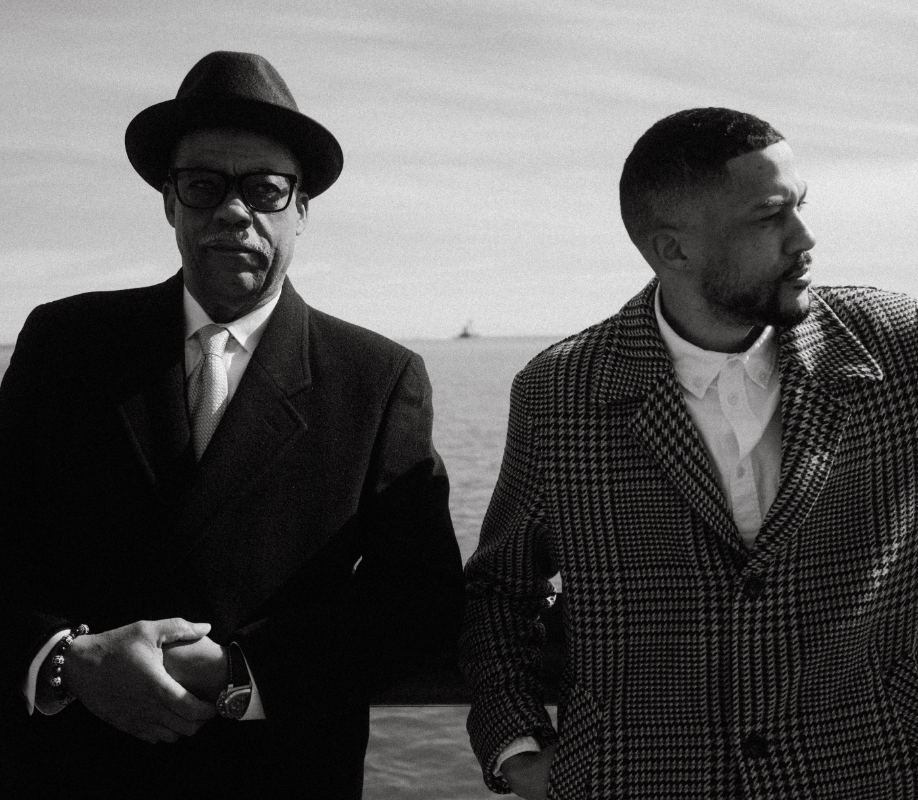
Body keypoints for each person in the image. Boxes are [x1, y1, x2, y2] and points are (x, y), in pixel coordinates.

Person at [0, 50, 464, 799]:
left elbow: (417, 599)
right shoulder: (65, 345)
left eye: (266, 190)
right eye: (203, 185)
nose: (233, 210)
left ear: (301, 211)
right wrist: (64, 658)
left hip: (277, 773)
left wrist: (244, 673)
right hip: (69, 770)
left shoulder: (376, 379)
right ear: (169, 201)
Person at [459, 107, 918, 798]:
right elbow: (499, 590)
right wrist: (518, 747)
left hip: (871, 772)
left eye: (801, 206)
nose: (806, 238)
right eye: (770, 217)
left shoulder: (896, 347)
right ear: (674, 250)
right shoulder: (562, 392)